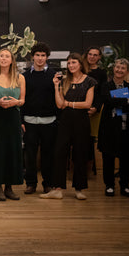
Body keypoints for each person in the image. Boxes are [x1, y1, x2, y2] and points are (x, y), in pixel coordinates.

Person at [41, 53, 96, 200]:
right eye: (69, 63)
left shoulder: (89, 81)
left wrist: (69, 104)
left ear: (80, 64)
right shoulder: (64, 81)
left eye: (74, 63)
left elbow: (87, 104)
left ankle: (79, 189)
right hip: (65, 121)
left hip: (82, 122)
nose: (71, 66)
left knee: (80, 154)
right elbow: (59, 104)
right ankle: (57, 189)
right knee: (59, 153)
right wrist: (56, 86)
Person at [20, 42, 58, 194]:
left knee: (48, 155)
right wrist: (21, 119)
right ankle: (31, 183)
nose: (40, 58)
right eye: (37, 55)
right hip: (29, 121)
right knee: (30, 155)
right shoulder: (25, 76)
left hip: (49, 121)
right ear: (32, 57)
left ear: (47, 57)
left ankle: (48, 183)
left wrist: (57, 119)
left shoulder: (54, 75)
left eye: (43, 55)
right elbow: (21, 99)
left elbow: (57, 98)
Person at [0, 48, 25, 201]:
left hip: (13, 116)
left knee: (13, 150)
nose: (3, 58)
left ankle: (9, 187)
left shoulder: (20, 78)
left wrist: (16, 102)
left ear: (12, 60)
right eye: (1, 56)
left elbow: (23, 100)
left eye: (7, 56)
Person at [97, 58, 129, 197]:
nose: (119, 70)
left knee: (126, 159)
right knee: (108, 158)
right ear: (113, 69)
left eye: (123, 68)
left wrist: (118, 101)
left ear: (127, 71)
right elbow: (108, 101)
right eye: (117, 67)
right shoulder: (106, 86)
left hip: (126, 129)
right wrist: (127, 100)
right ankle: (109, 185)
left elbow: (116, 102)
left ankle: (124, 185)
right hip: (109, 129)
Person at [84, 46, 107, 174]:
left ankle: (89, 168)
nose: (92, 57)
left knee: (90, 139)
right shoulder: (81, 70)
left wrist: (96, 108)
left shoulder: (102, 73)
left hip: (94, 110)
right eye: (90, 54)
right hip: (81, 108)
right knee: (81, 139)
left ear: (99, 57)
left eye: (95, 55)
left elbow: (102, 93)